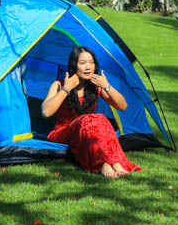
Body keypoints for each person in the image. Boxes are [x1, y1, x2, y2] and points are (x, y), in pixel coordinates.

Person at [41, 46, 141, 178]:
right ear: (74, 65)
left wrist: (106, 86)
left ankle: (114, 162)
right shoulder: (59, 84)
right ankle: (103, 163)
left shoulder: (95, 86)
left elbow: (123, 106)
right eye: (82, 63)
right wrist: (66, 88)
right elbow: (46, 112)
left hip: (88, 134)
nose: (88, 67)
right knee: (88, 119)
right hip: (63, 133)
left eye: (91, 62)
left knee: (99, 117)